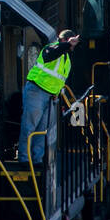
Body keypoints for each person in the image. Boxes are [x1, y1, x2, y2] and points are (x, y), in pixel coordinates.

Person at [17, 29, 80, 165]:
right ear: (64, 40)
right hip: (36, 91)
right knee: (29, 126)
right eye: (71, 43)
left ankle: (37, 160)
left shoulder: (66, 59)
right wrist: (67, 45)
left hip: (50, 97)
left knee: (41, 130)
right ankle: (24, 159)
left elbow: (59, 79)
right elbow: (52, 53)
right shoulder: (50, 49)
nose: (73, 46)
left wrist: (55, 95)